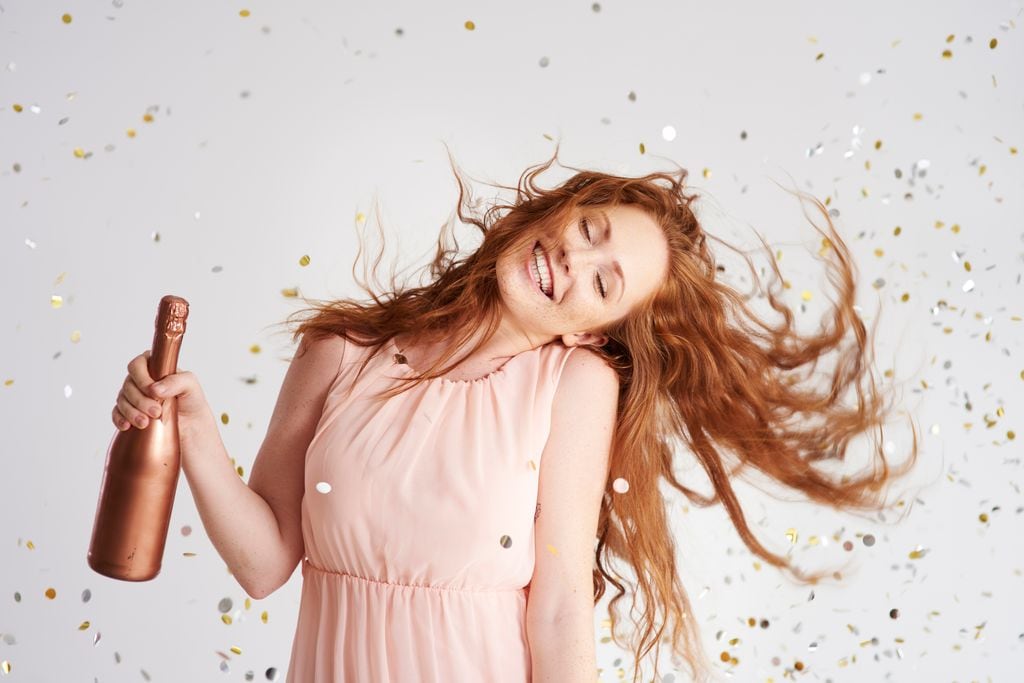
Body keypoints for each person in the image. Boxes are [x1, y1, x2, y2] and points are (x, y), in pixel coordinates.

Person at [111, 145, 921, 683]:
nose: (577, 260)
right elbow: (264, 564)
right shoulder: (342, 348)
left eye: (605, 281)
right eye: (589, 230)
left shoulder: (574, 386)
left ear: (590, 327)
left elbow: (561, 601)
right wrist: (194, 435)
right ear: (551, 214)